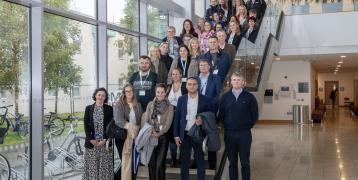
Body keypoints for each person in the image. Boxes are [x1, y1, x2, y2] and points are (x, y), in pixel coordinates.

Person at [218, 72, 258, 180]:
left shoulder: (250, 97)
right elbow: (221, 115)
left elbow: (255, 116)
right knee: (232, 163)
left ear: (243, 82)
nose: (236, 81)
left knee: (245, 162)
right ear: (231, 82)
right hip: (229, 134)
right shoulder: (225, 97)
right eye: (234, 79)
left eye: (239, 80)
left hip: (244, 134)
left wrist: (245, 126)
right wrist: (228, 125)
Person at [173, 77, 213, 180]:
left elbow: (211, 117)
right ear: (186, 86)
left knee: (200, 162)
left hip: (199, 134)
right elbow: (177, 118)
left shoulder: (206, 100)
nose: (192, 86)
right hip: (184, 135)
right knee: (184, 163)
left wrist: (203, 121)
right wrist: (176, 136)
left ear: (198, 85)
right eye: (189, 84)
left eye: (194, 84)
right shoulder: (181, 99)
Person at [141, 83, 174, 180]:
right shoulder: (150, 105)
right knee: (152, 165)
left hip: (162, 138)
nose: (160, 94)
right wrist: (150, 131)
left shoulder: (170, 107)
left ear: (165, 93)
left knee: (159, 165)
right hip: (150, 137)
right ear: (155, 92)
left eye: (162, 92)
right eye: (158, 92)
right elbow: (146, 120)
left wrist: (158, 133)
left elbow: (167, 125)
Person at [196, 59, 222, 170]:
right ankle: (198, 162)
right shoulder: (195, 79)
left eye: (205, 65)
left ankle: (212, 164)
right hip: (196, 112)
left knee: (211, 137)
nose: (202, 67)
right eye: (201, 65)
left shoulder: (216, 78)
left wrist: (208, 103)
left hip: (210, 112)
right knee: (197, 137)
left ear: (209, 66)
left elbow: (218, 95)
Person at [113, 84, 143, 180]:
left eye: (131, 91)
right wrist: (131, 127)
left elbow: (140, 120)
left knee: (133, 162)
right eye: (127, 91)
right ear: (124, 93)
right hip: (122, 137)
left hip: (135, 137)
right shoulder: (119, 104)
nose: (129, 93)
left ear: (133, 92)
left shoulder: (138, 105)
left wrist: (137, 130)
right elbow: (118, 120)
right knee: (125, 162)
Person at [83, 88, 113, 180]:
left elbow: (111, 126)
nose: (101, 97)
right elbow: (86, 125)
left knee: (104, 166)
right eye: (99, 94)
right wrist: (91, 140)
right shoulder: (88, 108)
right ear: (95, 95)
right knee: (92, 166)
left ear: (105, 98)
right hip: (92, 143)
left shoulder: (109, 109)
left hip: (104, 143)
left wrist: (104, 140)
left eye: (103, 95)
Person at [167, 68, 188, 167]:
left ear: (181, 75)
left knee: (182, 136)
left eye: (177, 74)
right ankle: (174, 159)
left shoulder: (185, 87)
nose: (175, 76)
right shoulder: (167, 87)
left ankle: (182, 159)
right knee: (172, 138)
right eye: (173, 74)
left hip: (182, 115)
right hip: (170, 115)